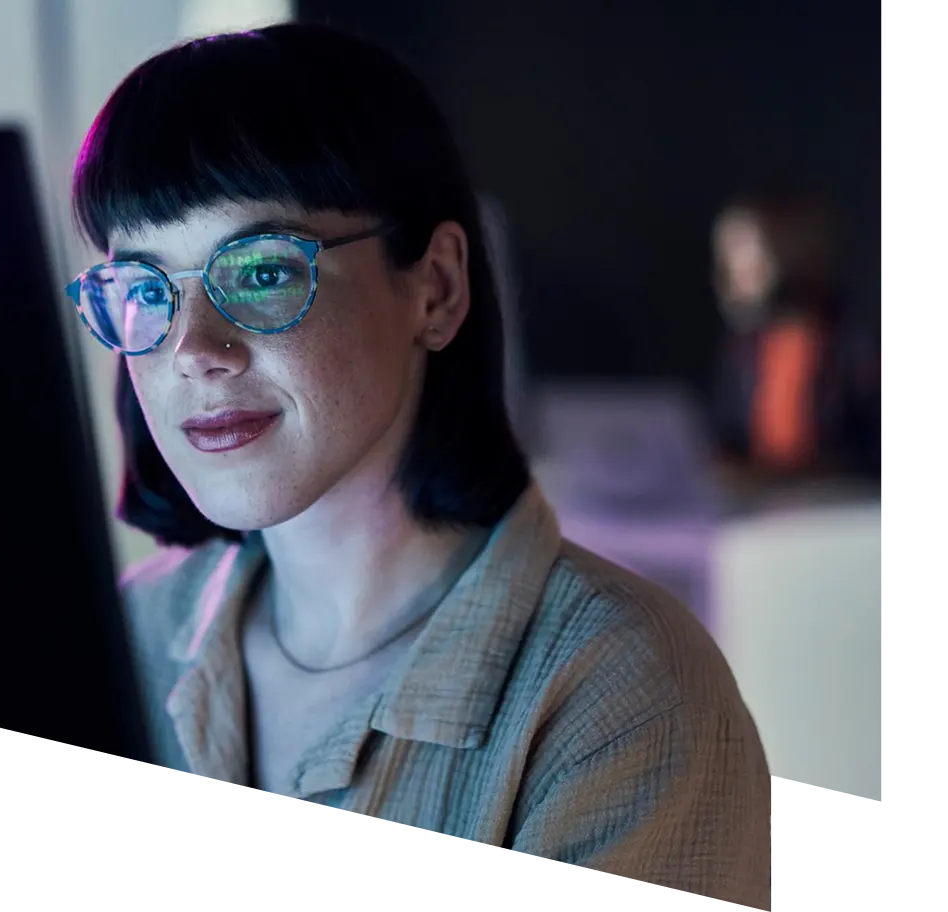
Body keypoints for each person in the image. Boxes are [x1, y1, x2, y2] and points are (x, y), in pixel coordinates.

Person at [67, 23, 770, 906]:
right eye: (143, 289)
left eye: (259, 271)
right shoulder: (121, 643)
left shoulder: (618, 695)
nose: (193, 350)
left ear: (434, 288)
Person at [710, 191, 883, 479]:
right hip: (766, 512)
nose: (731, 272)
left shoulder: (859, 343)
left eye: (743, 252)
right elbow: (728, 439)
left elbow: (873, 451)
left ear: (795, 251)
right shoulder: (743, 348)